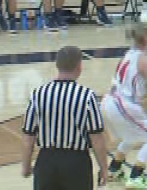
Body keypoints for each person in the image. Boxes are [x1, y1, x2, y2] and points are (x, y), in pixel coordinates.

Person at [22, 46, 108, 190]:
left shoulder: (38, 94)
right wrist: (104, 168)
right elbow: (96, 137)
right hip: (76, 163)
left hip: (46, 161)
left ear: (57, 65)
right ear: (79, 66)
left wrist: (26, 165)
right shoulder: (86, 96)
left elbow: (28, 136)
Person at [102, 26, 147, 189]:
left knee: (131, 136)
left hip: (110, 101)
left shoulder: (131, 54)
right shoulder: (144, 59)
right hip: (124, 103)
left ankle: (114, 168)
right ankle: (136, 176)